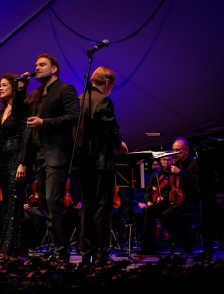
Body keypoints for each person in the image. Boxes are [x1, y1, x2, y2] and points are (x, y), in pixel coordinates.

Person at [13, 53, 80, 262]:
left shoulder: (65, 89)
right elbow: (18, 114)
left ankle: (62, 251)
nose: (37, 67)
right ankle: (55, 247)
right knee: (45, 204)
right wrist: (21, 89)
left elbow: (74, 116)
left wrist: (44, 122)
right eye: (36, 65)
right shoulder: (36, 94)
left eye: (42, 64)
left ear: (54, 69)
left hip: (57, 153)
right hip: (40, 155)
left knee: (54, 201)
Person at [76, 66, 128, 266]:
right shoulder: (104, 100)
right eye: (112, 86)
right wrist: (119, 143)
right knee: (102, 209)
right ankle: (100, 254)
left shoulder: (79, 100)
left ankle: (86, 253)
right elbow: (111, 129)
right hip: (100, 163)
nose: (111, 89)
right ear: (107, 83)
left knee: (86, 208)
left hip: (82, 163)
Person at [0, 73, 28, 256]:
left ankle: (9, 246)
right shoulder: (2, 111)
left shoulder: (19, 108)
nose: (0, 88)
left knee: (14, 202)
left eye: (4, 85)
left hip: (15, 156)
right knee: (8, 202)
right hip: (2, 157)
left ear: (13, 87)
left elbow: (26, 135)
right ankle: (14, 246)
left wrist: (23, 162)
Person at [140, 155, 175, 254]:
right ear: (161, 160)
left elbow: (171, 189)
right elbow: (147, 191)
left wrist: (164, 197)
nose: (167, 162)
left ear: (172, 161)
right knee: (148, 209)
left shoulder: (174, 173)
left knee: (150, 210)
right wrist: (148, 202)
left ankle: (152, 246)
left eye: (169, 160)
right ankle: (148, 247)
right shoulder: (156, 174)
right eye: (164, 160)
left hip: (170, 203)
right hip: (158, 203)